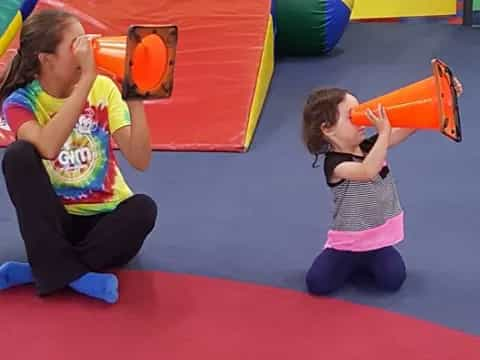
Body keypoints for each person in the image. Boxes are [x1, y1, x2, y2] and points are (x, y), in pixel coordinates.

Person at [0, 9, 157, 304]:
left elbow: (140, 160)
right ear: (46, 59)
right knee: (17, 156)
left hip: (104, 220)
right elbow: (48, 147)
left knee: (144, 210)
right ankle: (71, 271)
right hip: (58, 222)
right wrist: (85, 81)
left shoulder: (104, 88)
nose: (87, 52)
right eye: (76, 45)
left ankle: (46, 268)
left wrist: (137, 102)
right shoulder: (20, 103)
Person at [302, 80, 463, 295]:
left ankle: (366, 262)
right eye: (352, 116)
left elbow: (409, 127)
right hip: (346, 244)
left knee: (393, 279)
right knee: (317, 284)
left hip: (376, 241)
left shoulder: (369, 146)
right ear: (328, 129)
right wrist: (384, 134)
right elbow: (367, 170)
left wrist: (443, 101)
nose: (361, 119)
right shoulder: (334, 164)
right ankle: (349, 263)